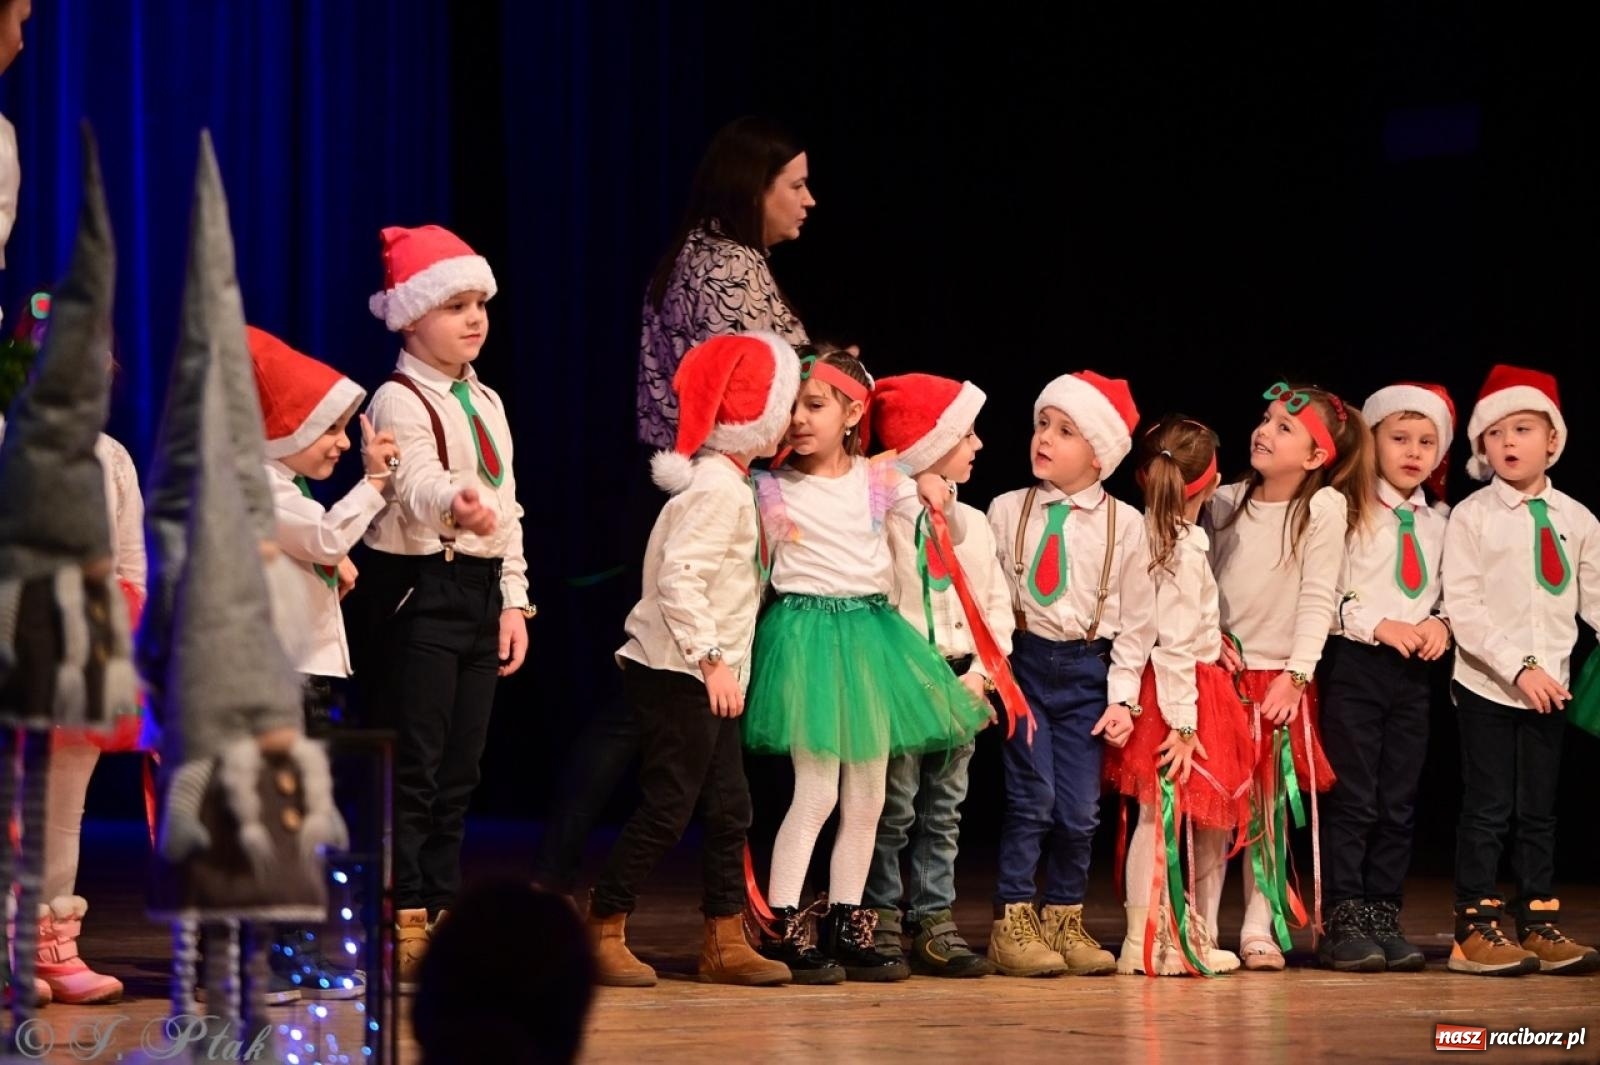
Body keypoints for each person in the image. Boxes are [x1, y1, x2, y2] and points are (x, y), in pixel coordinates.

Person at [744, 351, 989, 983]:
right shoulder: (770, 485)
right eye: (793, 406)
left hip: (872, 637)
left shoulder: (882, 480)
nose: (799, 419)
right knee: (818, 789)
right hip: (807, 638)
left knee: (870, 796)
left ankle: (850, 920)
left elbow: (950, 536)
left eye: (815, 406)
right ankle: (784, 921)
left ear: (853, 413)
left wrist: (938, 493)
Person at [586, 333, 798, 988]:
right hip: (681, 671)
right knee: (669, 804)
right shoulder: (719, 490)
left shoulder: (736, 485)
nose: (790, 420)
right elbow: (679, 578)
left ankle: (724, 937)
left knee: (730, 805)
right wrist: (711, 661)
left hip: (709, 671)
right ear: (753, 415)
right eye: (783, 404)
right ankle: (602, 925)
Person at [360, 224, 534, 991]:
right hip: (421, 594)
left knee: (462, 765)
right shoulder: (397, 397)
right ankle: (403, 912)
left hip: (477, 590)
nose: (473, 319)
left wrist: (515, 600)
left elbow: (512, 505)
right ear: (410, 317)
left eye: (480, 304)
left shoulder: (485, 397)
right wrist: (458, 503)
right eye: (454, 305)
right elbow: (415, 483)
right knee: (418, 764)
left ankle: (440, 904)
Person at [985, 371, 1155, 978]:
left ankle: (1063, 915)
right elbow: (989, 596)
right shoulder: (1008, 509)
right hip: (1025, 665)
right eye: (1041, 425)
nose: (1045, 439)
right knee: (1033, 800)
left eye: (1065, 430)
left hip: (1087, 672)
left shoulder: (1125, 525)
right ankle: (1012, 921)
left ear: (1100, 453)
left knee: (1080, 811)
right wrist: (994, 671)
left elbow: (1137, 622)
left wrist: (1124, 698)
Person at [1207, 381, 1373, 970]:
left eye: (1284, 428)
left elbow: (1317, 598)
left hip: (1278, 678)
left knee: (1266, 810)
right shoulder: (1224, 501)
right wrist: (1208, 641)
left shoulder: (1321, 508)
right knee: (1210, 807)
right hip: (1219, 674)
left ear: (1315, 456)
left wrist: (1297, 675)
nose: (1264, 431)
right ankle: (1201, 925)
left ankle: (1259, 927)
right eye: (1266, 418)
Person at [1442, 364, 1600, 976]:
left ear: (1552, 440)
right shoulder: (1473, 517)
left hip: (1551, 689)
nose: (1509, 443)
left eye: (1524, 429)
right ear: (1482, 447)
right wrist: (1519, 668)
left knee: (1539, 810)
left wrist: (1546, 673)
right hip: (1489, 682)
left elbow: (1593, 599)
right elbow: (1466, 607)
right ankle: (1474, 926)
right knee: (1487, 807)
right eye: (1496, 433)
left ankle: (1538, 920)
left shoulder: (1578, 519)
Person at [863, 372, 1010, 978]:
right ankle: (878, 918)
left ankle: (934, 918)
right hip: (902, 682)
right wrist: (902, 475)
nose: (977, 446)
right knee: (891, 808)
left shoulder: (974, 522)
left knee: (944, 809)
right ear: (930, 442)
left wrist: (983, 675)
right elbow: (858, 498)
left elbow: (995, 606)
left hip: (959, 683)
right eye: (965, 434)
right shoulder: (886, 516)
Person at [1103, 415, 1249, 976]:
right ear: (1209, 484)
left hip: (1152, 688)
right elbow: (1174, 647)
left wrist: (1123, 697)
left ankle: (1149, 939)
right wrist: (1184, 725)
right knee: (1200, 817)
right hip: (1186, 692)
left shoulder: (1141, 536)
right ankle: (1174, 938)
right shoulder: (1183, 549)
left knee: (1153, 817)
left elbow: (1134, 635)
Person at [1316, 383, 1455, 972]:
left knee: (1397, 801)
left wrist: (1442, 624)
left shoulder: (1441, 520)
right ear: (1371, 441)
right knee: (1355, 797)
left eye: (1427, 442)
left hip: (1412, 673)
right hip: (1356, 664)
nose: (1413, 452)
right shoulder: (1344, 508)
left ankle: (1383, 913)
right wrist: (1379, 624)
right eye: (1399, 438)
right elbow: (1326, 590)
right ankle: (1344, 917)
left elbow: (1452, 592)